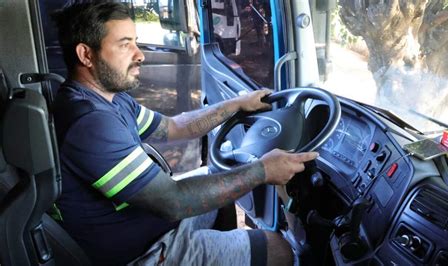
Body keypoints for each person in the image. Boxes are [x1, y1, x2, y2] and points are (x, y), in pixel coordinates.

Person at [51, 2, 317, 265]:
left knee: (218, 179)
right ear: (86, 55)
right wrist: (262, 171)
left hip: (151, 222)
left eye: (135, 42)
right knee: (278, 249)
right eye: (124, 45)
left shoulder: (112, 100)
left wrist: (236, 104)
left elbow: (176, 127)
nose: (139, 54)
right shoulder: (90, 122)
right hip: (143, 252)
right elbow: (174, 201)